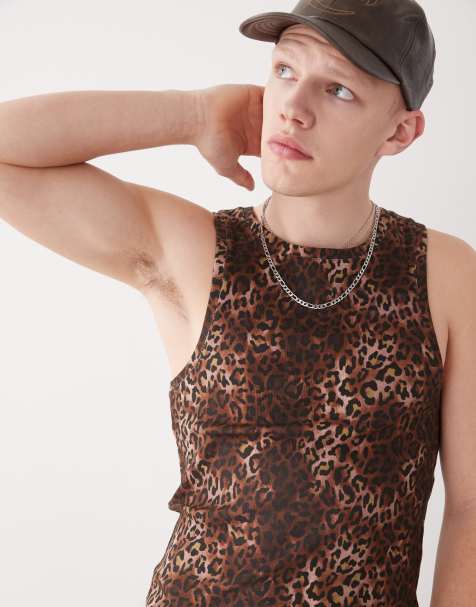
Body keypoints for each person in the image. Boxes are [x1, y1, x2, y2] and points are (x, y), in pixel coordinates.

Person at [0, 0, 475, 605]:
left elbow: (470, 506)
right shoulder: (195, 249)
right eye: (284, 70)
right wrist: (194, 113)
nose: (293, 108)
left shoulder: (445, 273)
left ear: (399, 131)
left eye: (337, 90)